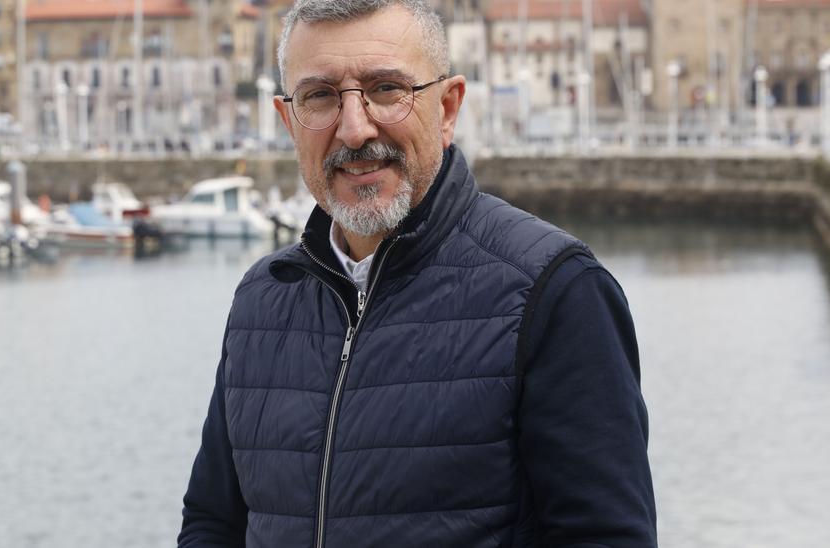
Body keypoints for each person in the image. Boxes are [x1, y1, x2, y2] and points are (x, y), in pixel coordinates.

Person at [178, 1, 656, 546]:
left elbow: (604, 535)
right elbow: (213, 522)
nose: (354, 130)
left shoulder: (554, 291)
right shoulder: (263, 298)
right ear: (289, 121)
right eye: (320, 96)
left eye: (386, 89)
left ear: (447, 109)